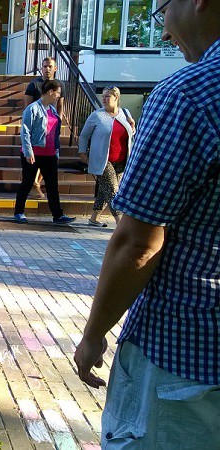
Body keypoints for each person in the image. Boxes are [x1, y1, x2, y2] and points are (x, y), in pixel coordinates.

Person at [73, 0, 220, 447]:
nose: (163, 29)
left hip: (183, 359)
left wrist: (93, 336)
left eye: (162, 8)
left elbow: (138, 243)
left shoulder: (188, 95)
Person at [14, 79, 75, 224]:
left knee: (52, 185)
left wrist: (56, 150)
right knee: (27, 182)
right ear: (50, 92)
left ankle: (57, 215)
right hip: (34, 153)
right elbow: (25, 131)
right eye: (58, 93)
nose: (59, 96)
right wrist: (28, 152)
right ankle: (19, 212)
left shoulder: (52, 109)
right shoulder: (33, 108)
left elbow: (55, 132)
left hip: (50, 153)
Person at [77, 86, 135, 227]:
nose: (104, 99)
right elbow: (84, 135)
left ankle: (94, 218)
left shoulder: (125, 113)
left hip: (121, 159)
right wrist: (82, 152)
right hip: (102, 159)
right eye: (103, 96)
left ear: (116, 98)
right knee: (113, 190)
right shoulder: (97, 115)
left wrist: (133, 127)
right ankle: (120, 222)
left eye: (108, 96)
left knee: (106, 190)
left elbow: (129, 135)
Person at [24, 57, 65, 199]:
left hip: (53, 127)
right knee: (38, 156)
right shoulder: (34, 85)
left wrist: (58, 124)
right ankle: (33, 184)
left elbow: (60, 106)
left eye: (50, 66)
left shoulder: (59, 85)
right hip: (38, 128)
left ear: (55, 68)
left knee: (53, 155)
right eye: (44, 66)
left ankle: (37, 182)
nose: (47, 69)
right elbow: (27, 106)